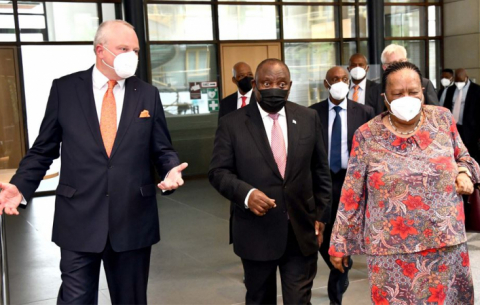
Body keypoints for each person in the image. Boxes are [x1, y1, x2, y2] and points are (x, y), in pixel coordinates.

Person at [0, 20, 187, 304]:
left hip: (133, 219)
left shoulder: (147, 93)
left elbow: (161, 148)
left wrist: (171, 168)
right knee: (76, 299)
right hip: (78, 218)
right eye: (124, 48)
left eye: (135, 50)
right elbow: (43, 149)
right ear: (101, 51)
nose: (132, 56)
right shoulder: (65, 89)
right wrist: (20, 186)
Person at [329, 61, 479, 304]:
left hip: (445, 245)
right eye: (398, 94)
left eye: (413, 92)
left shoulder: (442, 120)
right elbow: (351, 193)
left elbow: (464, 158)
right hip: (391, 252)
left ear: (423, 91)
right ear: (385, 97)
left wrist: (464, 173)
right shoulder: (367, 135)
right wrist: (339, 243)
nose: (406, 98)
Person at [209, 58, 332, 304]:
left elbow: (320, 171)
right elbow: (218, 171)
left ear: (290, 85)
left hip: (300, 229)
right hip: (256, 232)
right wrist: (246, 194)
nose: (274, 88)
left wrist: (321, 216)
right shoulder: (232, 123)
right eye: (267, 82)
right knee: (259, 298)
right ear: (255, 84)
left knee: (299, 299)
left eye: (281, 83)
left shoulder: (308, 118)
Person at [310, 66, 374, 305]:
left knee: (345, 233)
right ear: (326, 84)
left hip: (351, 181)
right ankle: (339, 265)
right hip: (322, 181)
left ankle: (336, 287)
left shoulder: (364, 112)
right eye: (335, 79)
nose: (340, 83)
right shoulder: (312, 113)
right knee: (321, 234)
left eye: (344, 79)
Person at [218, 61, 255, 247]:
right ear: (234, 79)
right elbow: (222, 135)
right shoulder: (226, 104)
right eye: (241, 76)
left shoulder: (261, 99)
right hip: (235, 164)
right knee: (238, 207)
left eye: (249, 74)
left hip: (256, 160)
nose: (247, 78)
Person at [369, 44, 439, 115]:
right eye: (393, 64)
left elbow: (435, 112)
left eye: (401, 61)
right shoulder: (376, 90)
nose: (398, 66)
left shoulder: (424, 83)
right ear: (384, 67)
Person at [443, 68, 480, 163]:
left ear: (466, 77)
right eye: (457, 80)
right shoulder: (451, 90)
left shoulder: (476, 90)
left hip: (470, 129)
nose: (459, 83)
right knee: (454, 153)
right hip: (454, 127)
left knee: (470, 154)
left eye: (461, 80)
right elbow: (446, 107)